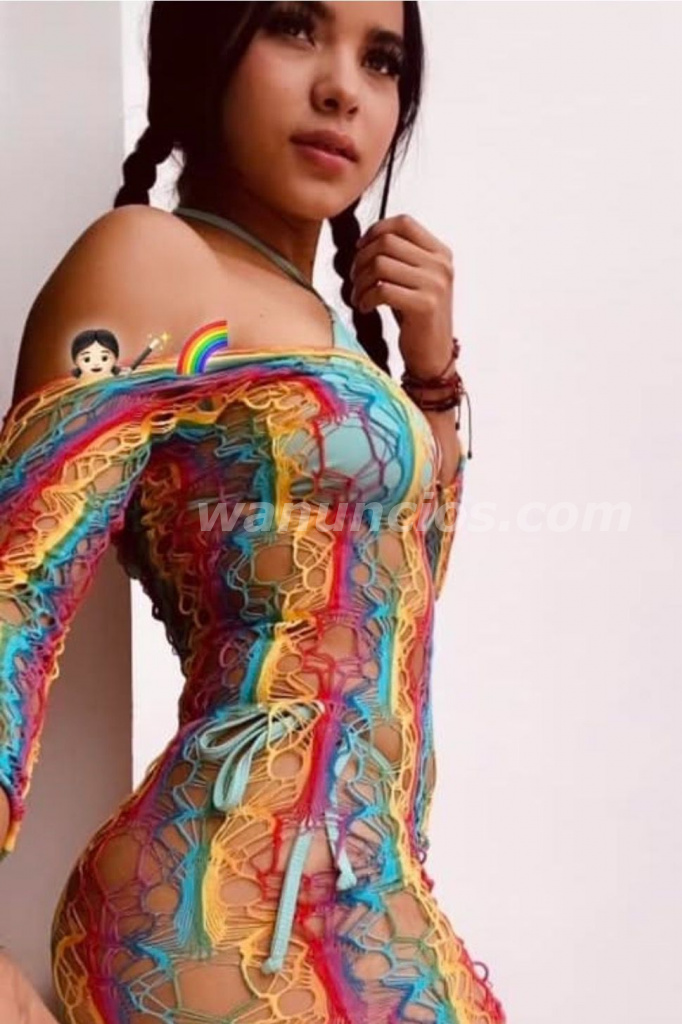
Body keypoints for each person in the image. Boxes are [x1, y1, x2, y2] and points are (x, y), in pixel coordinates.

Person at [0, 2, 504, 1021]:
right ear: (205, 47)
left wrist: (431, 382)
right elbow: (14, 599)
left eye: (382, 60)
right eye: (292, 27)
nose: (342, 88)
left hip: (374, 907)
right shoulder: (148, 260)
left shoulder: (327, 328)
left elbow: (391, 607)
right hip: (215, 914)